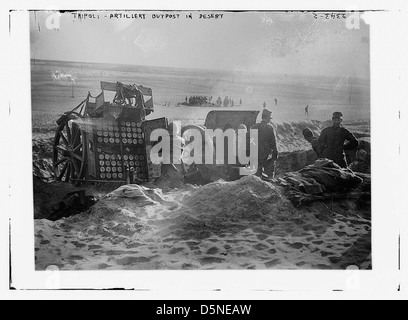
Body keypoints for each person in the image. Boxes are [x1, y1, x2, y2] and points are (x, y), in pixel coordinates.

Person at [251, 109, 279, 177]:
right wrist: (275, 154)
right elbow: (274, 143)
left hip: (255, 154)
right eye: (269, 118)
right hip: (266, 155)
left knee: (257, 173)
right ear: (267, 118)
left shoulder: (255, 127)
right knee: (269, 174)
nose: (270, 120)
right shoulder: (269, 128)